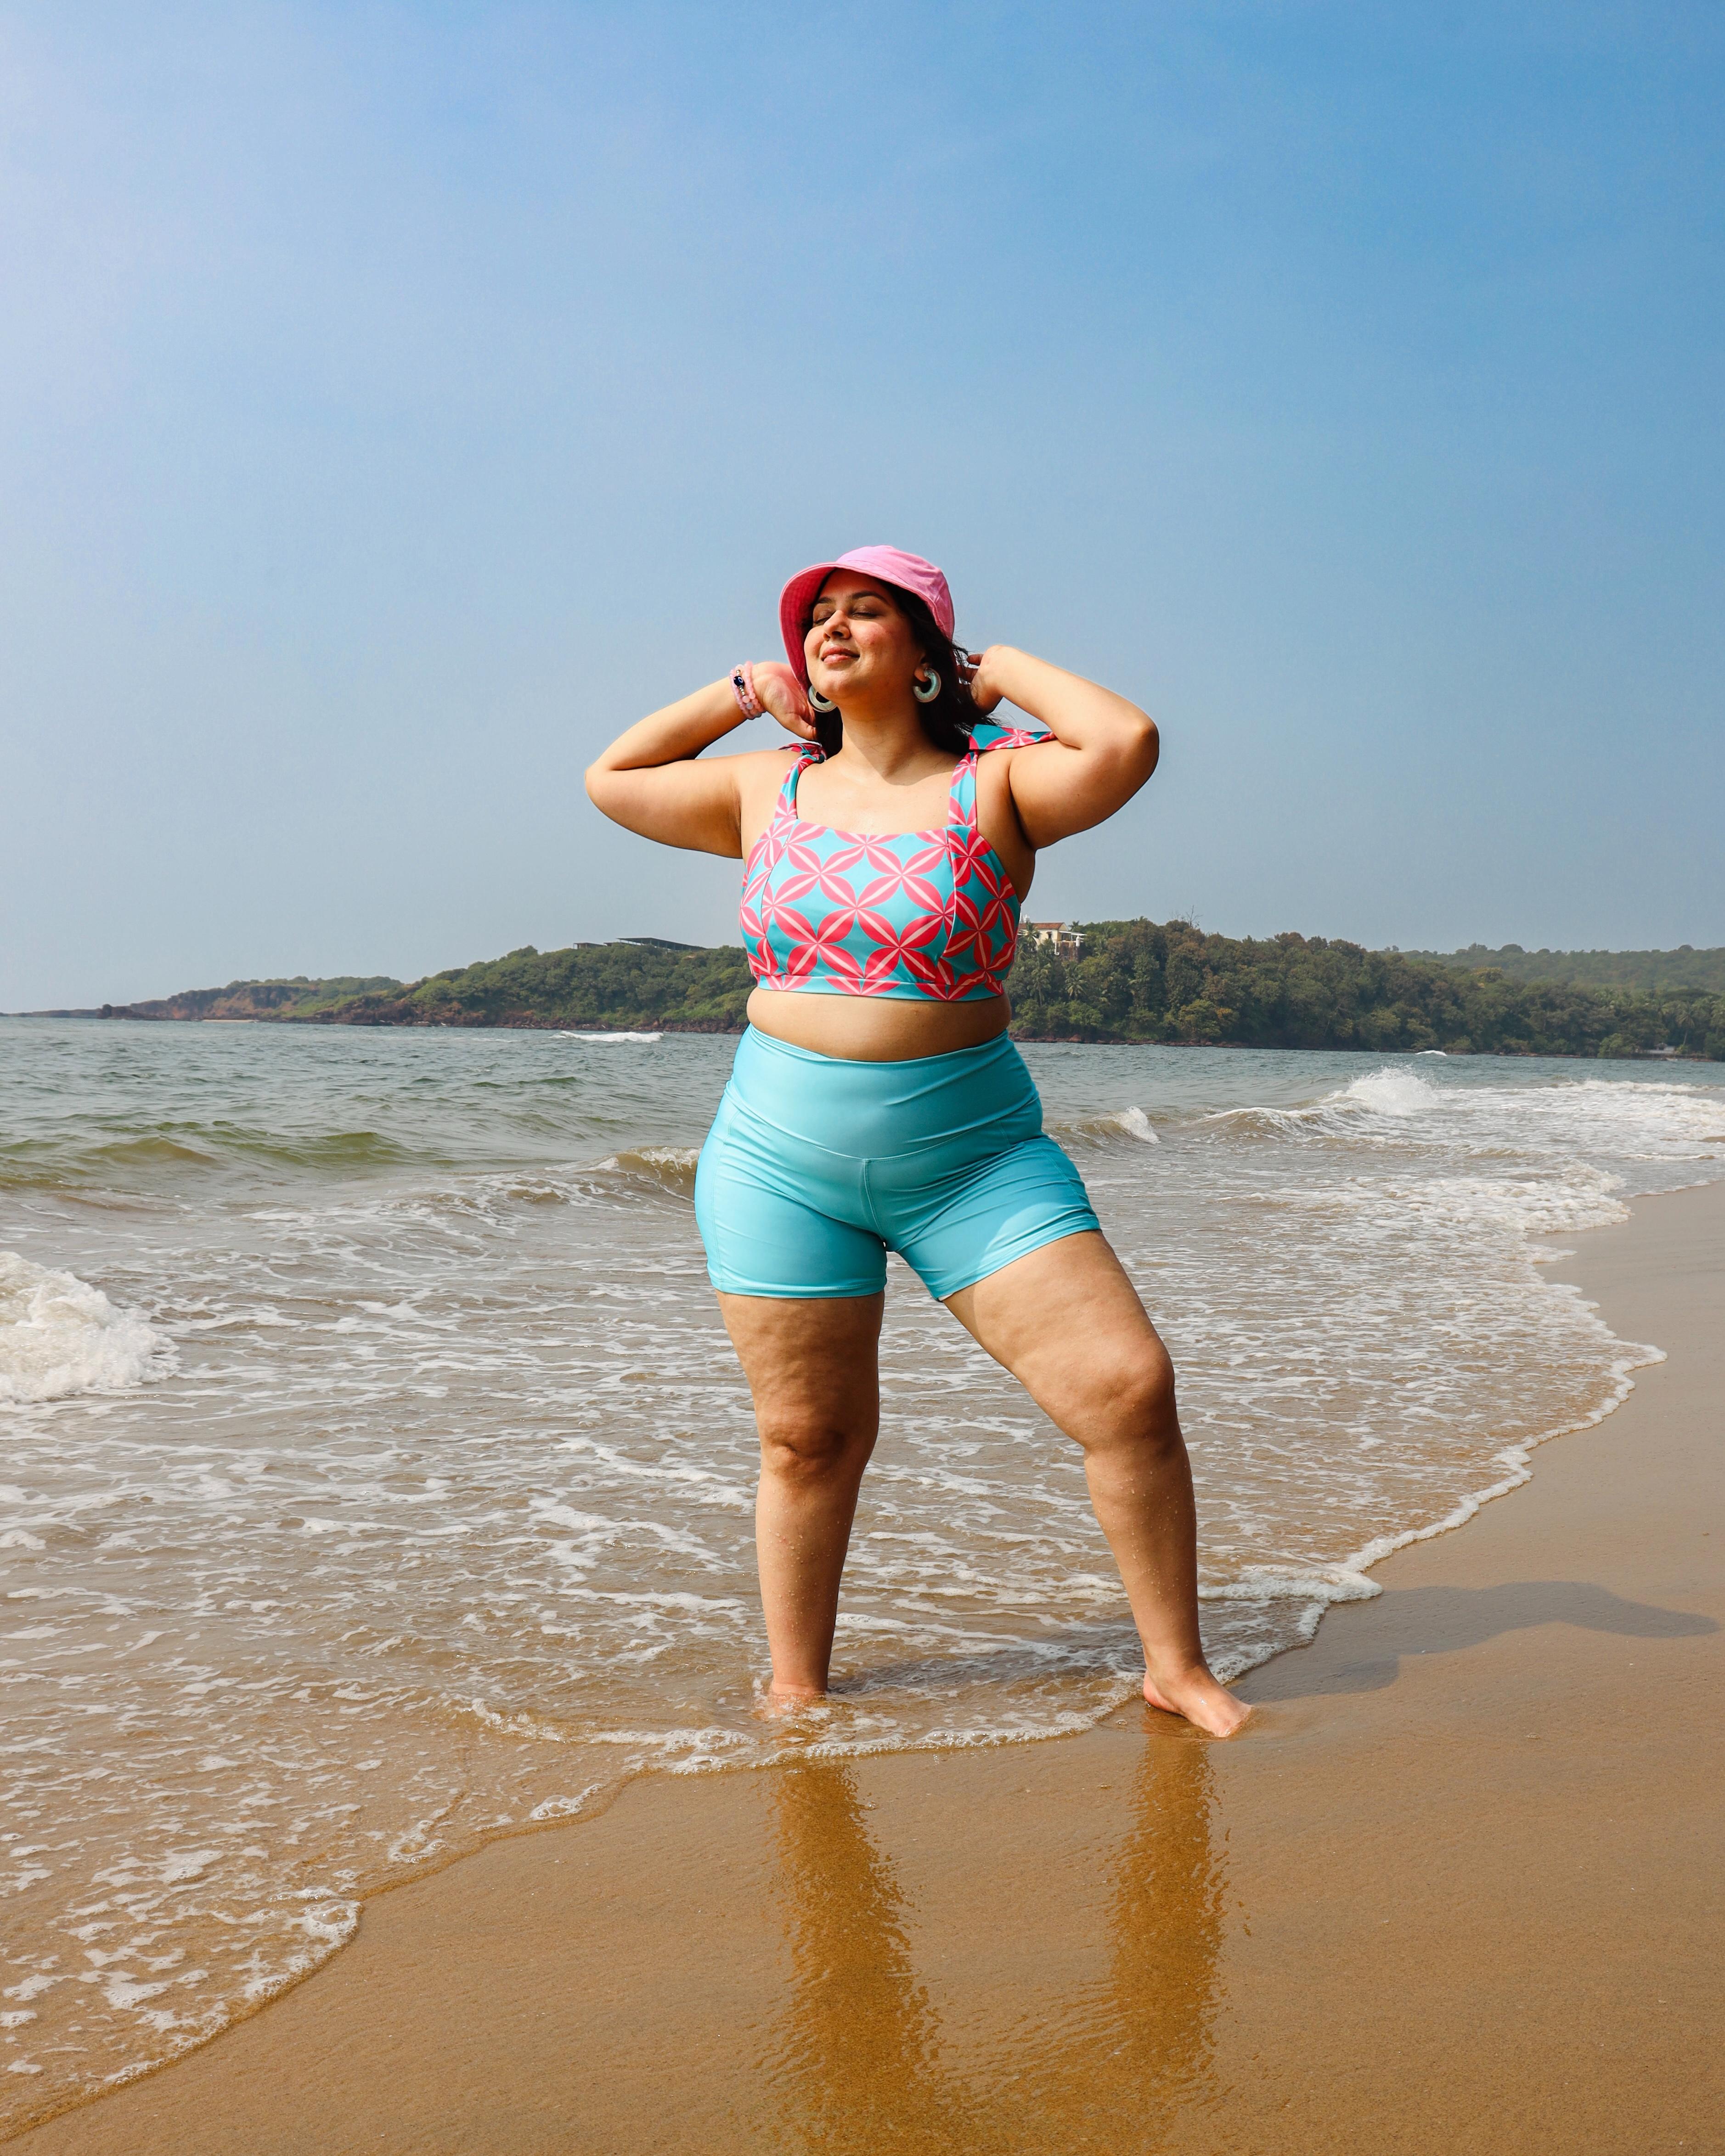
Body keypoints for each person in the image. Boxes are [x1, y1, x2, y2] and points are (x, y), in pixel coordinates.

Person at [586, 546, 1248, 1737]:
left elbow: (1127, 741)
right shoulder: (761, 790)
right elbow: (613, 776)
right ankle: (796, 1691)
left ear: (924, 649)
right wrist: (742, 690)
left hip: (973, 1160)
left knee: (1125, 1390)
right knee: (806, 1439)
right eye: (816, 621)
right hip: (778, 1163)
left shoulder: (999, 785)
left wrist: (992, 674)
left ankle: (1174, 1669)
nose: (833, 630)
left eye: (867, 613)